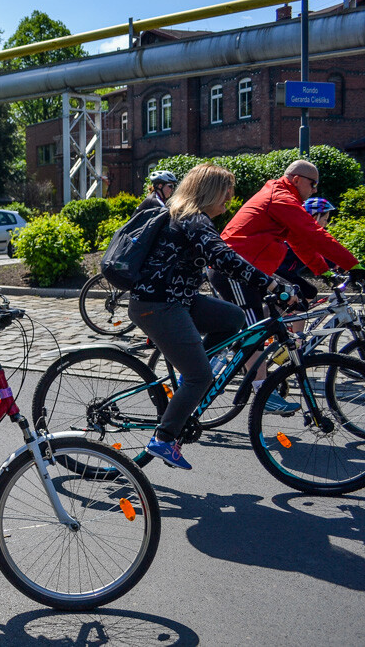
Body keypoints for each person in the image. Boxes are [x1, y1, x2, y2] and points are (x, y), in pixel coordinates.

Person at [128, 163, 301, 470]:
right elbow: (225, 258)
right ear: (210, 192)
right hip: (159, 305)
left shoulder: (186, 216)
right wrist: (271, 283)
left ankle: (190, 374)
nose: (230, 200)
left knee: (234, 319)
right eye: (227, 192)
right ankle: (164, 438)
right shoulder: (194, 219)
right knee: (201, 377)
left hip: (177, 299)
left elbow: (223, 258)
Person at [209, 159, 364, 408]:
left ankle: (257, 360)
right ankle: (261, 390)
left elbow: (301, 242)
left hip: (253, 272)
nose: (314, 190)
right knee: (254, 331)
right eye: (313, 184)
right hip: (235, 271)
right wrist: (353, 265)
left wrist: (324, 272)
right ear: (296, 180)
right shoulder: (280, 197)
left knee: (289, 303)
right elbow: (314, 232)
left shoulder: (283, 198)